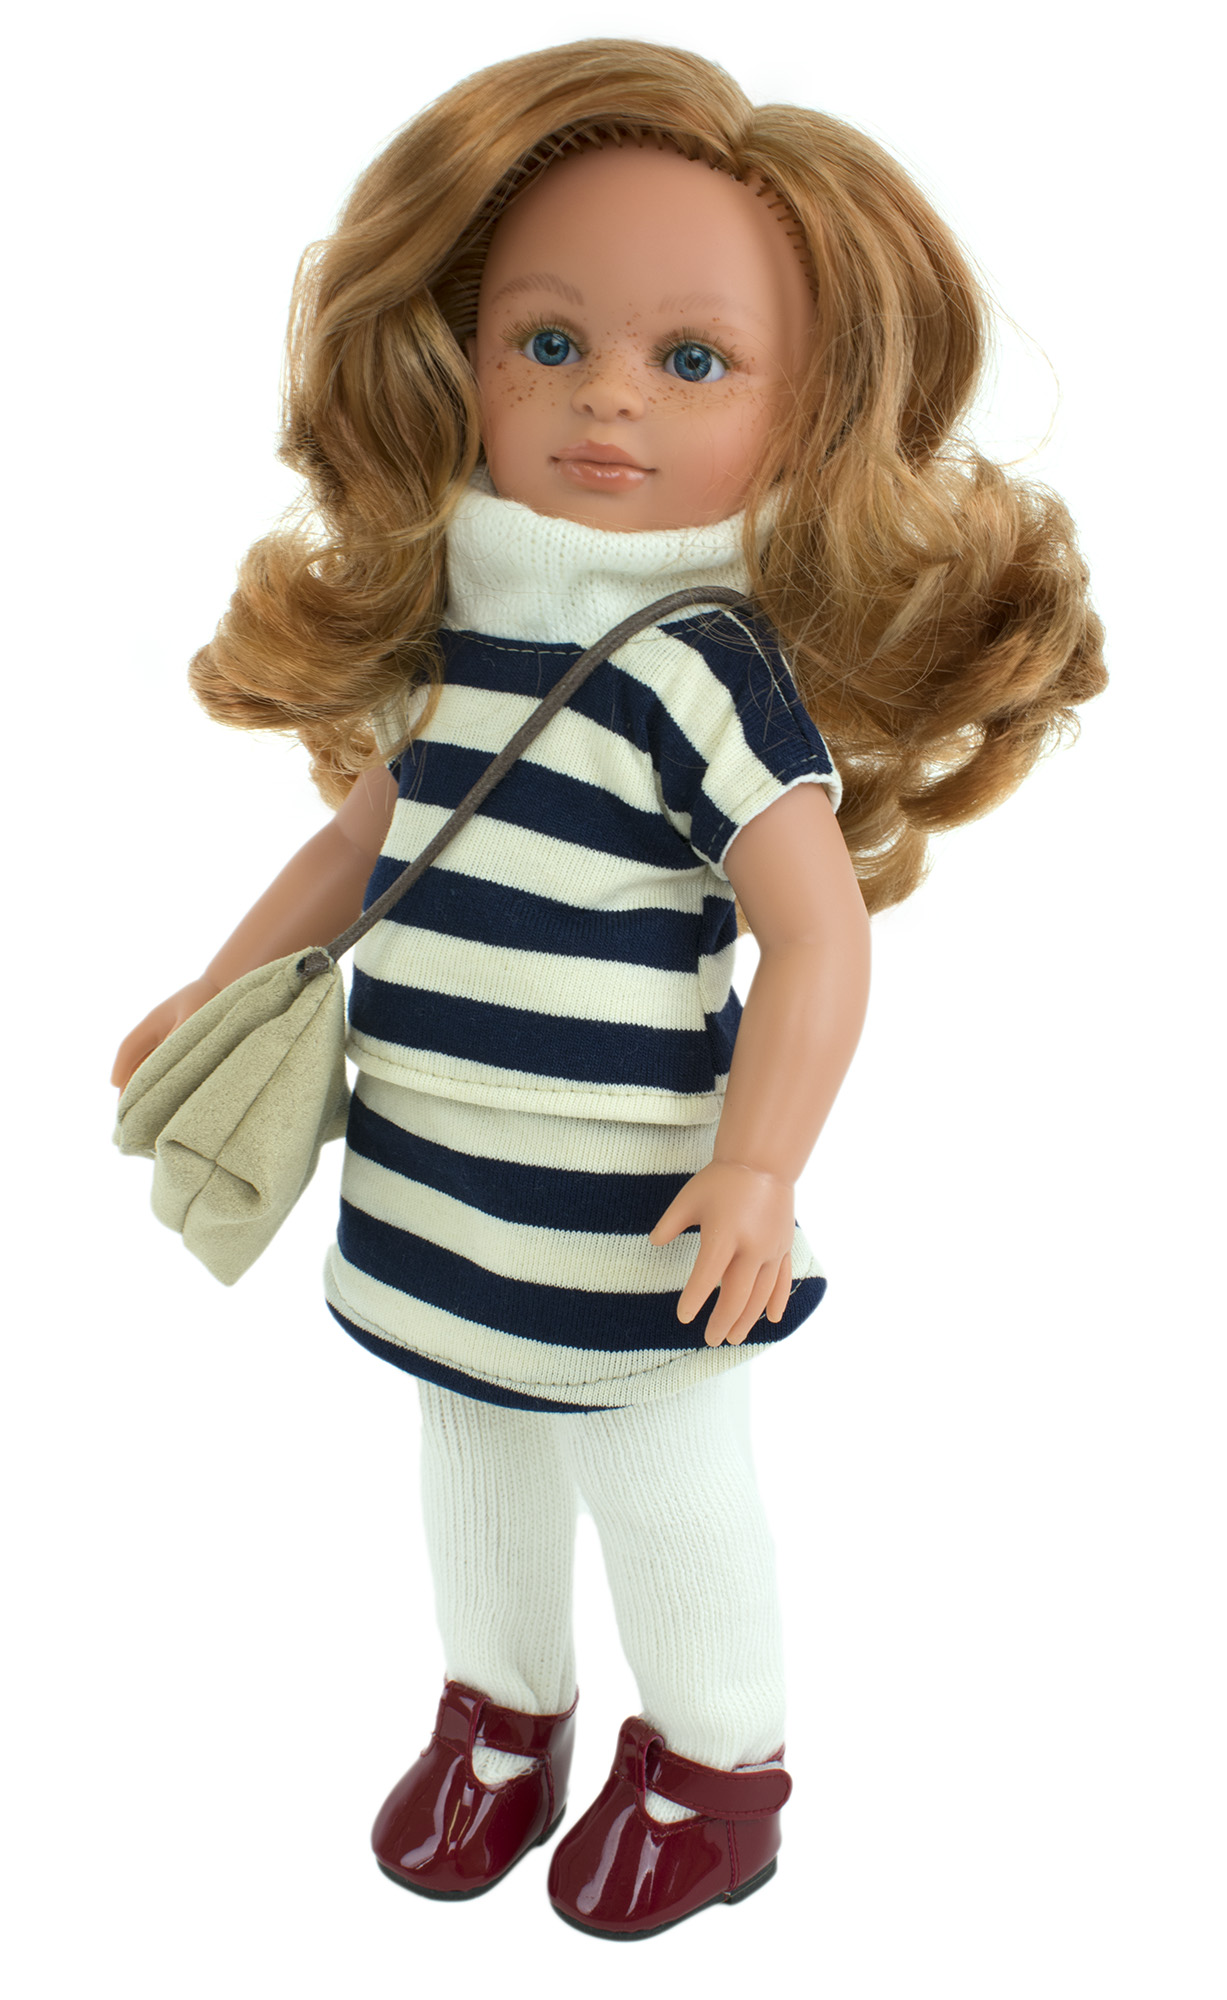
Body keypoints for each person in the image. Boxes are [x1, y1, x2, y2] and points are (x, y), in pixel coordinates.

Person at [111, 38, 1105, 1941]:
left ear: (809, 415)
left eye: (695, 360)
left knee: (660, 1466)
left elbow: (817, 929)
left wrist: (759, 1166)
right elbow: (358, 844)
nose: (610, 400)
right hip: (431, 1153)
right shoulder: (455, 629)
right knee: (467, 1436)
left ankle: (719, 1769)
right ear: (456, 354)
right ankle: (502, 1722)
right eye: (548, 342)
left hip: (630, 1188)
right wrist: (221, 986)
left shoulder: (701, 666)